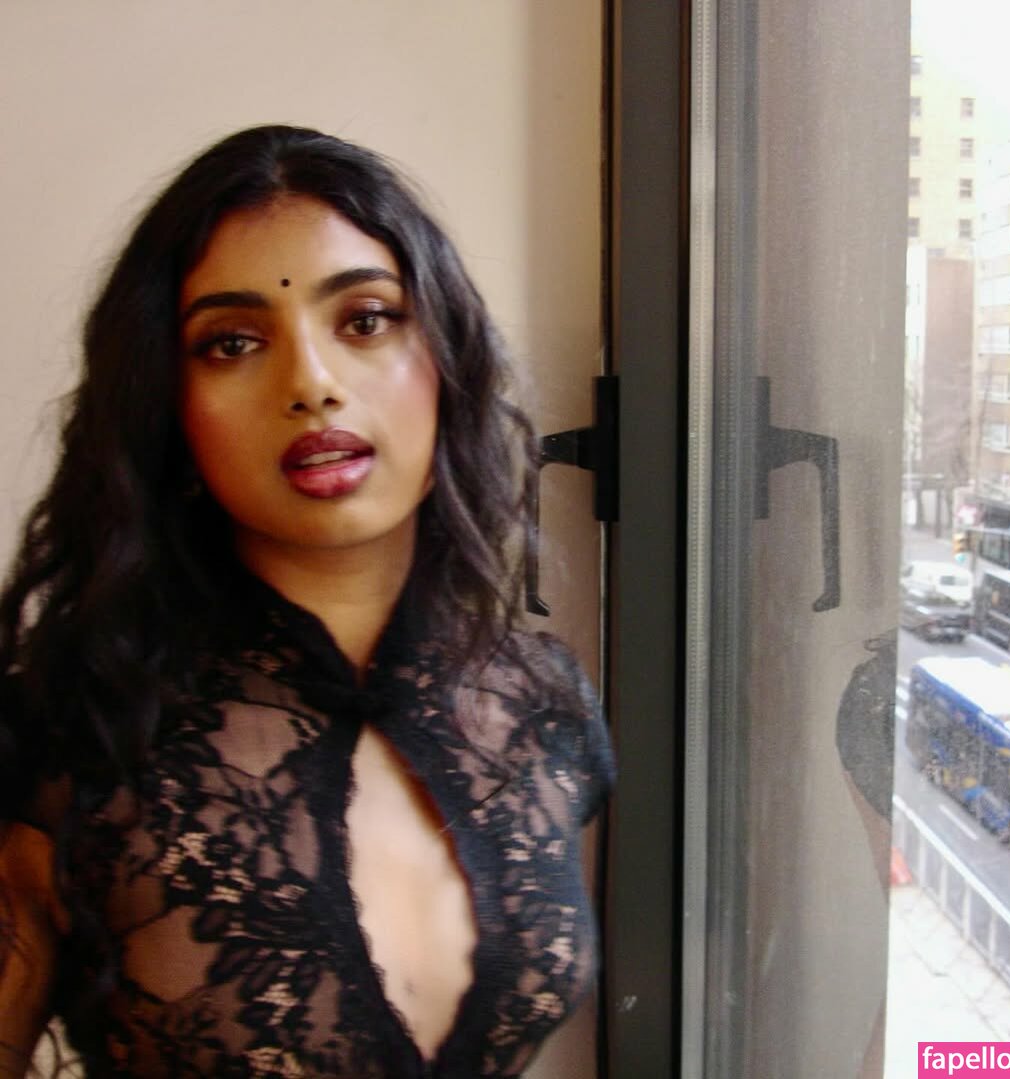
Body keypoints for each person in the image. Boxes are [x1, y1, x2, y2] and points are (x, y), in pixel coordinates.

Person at [0, 125, 614, 1078]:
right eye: (233, 342)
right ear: (167, 405)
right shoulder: (66, 734)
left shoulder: (544, 707)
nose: (312, 383)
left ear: (447, 358)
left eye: (365, 319)